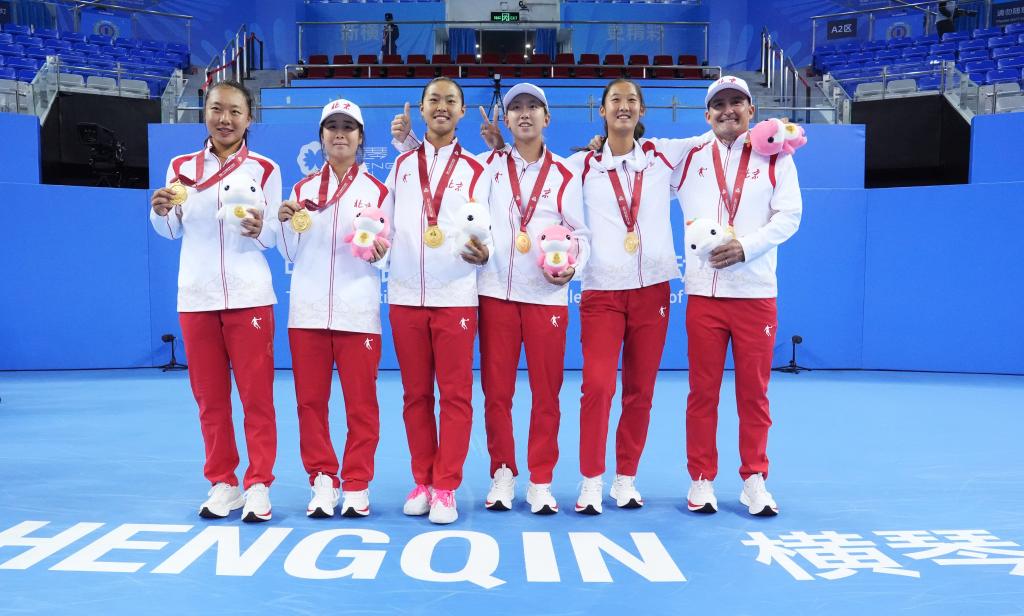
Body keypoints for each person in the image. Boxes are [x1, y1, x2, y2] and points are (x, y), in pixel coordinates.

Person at [568, 79, 711, 515]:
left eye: (632, 100)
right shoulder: (581, 164)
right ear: (602, 111)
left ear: (642, 110)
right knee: (597, 387)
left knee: (640, 390)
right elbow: (534, 167)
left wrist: (772, 133)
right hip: (602, 291)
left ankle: (625, 478)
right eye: (615, 100)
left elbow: (715, 135)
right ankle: (591, 480)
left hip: (653, 291)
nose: (624, 106)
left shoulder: (662, 154)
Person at [149, 80, 281, 523]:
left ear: (249, 117)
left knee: (257, 398)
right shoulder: (181, 167)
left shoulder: (265, 169)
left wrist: (261, 229)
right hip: (197, 296)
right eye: (216, 109)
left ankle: (259, 484)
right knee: (210, 398)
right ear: (204, 113)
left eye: (235, 111)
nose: (225, 119)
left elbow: (272, 236)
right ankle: (223, 482)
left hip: (250, 296)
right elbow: (171, 231)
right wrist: (160, 211)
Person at [677, 76, 801, 517]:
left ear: (751, 110)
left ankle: (754, 479)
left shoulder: (776, 154)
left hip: (755, 294)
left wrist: (746, 247)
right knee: (702, 393)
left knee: (754, 394)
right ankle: (701, 478)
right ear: (707, 114)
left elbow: (790, 215)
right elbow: (641, 166)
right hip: (705, 295)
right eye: (719, 104)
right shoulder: (689, 155)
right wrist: (601, 144)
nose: (727, 110)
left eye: (737, 102)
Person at [467, 83, 591, 515]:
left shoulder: (565, 174)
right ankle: (502, 472)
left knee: (546, 394)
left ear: (546, 118)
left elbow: (581, 233)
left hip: (546, 296)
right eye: (515, 108)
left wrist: (574, 266)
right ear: (506, 120)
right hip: (495, 293)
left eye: (533, 107)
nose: (524, 114)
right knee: (496, 393)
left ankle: (541, 479)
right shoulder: (486, 166)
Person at [276, 99, 391, 518]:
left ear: (360, 138)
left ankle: (357, 483)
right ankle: (323, 479)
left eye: (348, 127)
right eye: (332, 127)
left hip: (357, 314)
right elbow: (288, 252)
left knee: (362, 405)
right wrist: (284, 223)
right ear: (321, 137)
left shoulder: (379, 192)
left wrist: (380, 253)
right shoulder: (301, 191)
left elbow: (388, 253)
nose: (340, 134)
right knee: (310, 403)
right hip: (307, 313)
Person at [385, 77, 490, 524]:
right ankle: (423, 481)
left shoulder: (478, 170)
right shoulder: (401, 166)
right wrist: (376, 248)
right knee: (414, 395)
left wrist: (488, 253)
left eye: (450, 100)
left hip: (456, 296)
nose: (442, 106)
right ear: (422, 109)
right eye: (434, 100)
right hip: (406, 294)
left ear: (462, 111)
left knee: (455, 396)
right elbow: (384, 224)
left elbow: (490, 230)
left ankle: (446, 486)